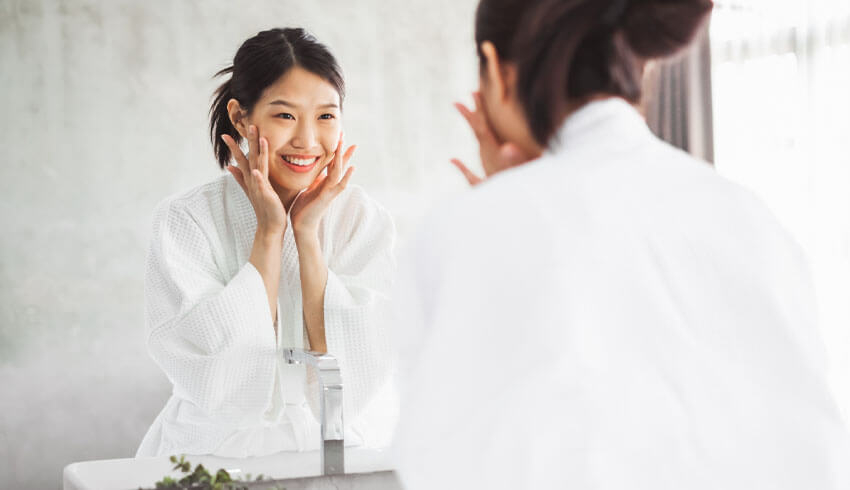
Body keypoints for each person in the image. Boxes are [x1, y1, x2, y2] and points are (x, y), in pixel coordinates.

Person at [392, 1, 850, 488]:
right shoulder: (751, 217)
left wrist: (510, 206)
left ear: (496, 72)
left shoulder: (463, 232)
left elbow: (445, 461)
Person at [136, 28, 395, 458]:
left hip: (342, 447)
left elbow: (363, 371)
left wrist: (307, 235)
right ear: (241, 118)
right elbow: (213, 375)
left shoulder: (362, 219)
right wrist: (270, 233)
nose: (308, 141)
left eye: (326, 116)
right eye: (286, 116)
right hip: (214, 450)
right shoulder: (186, 219)